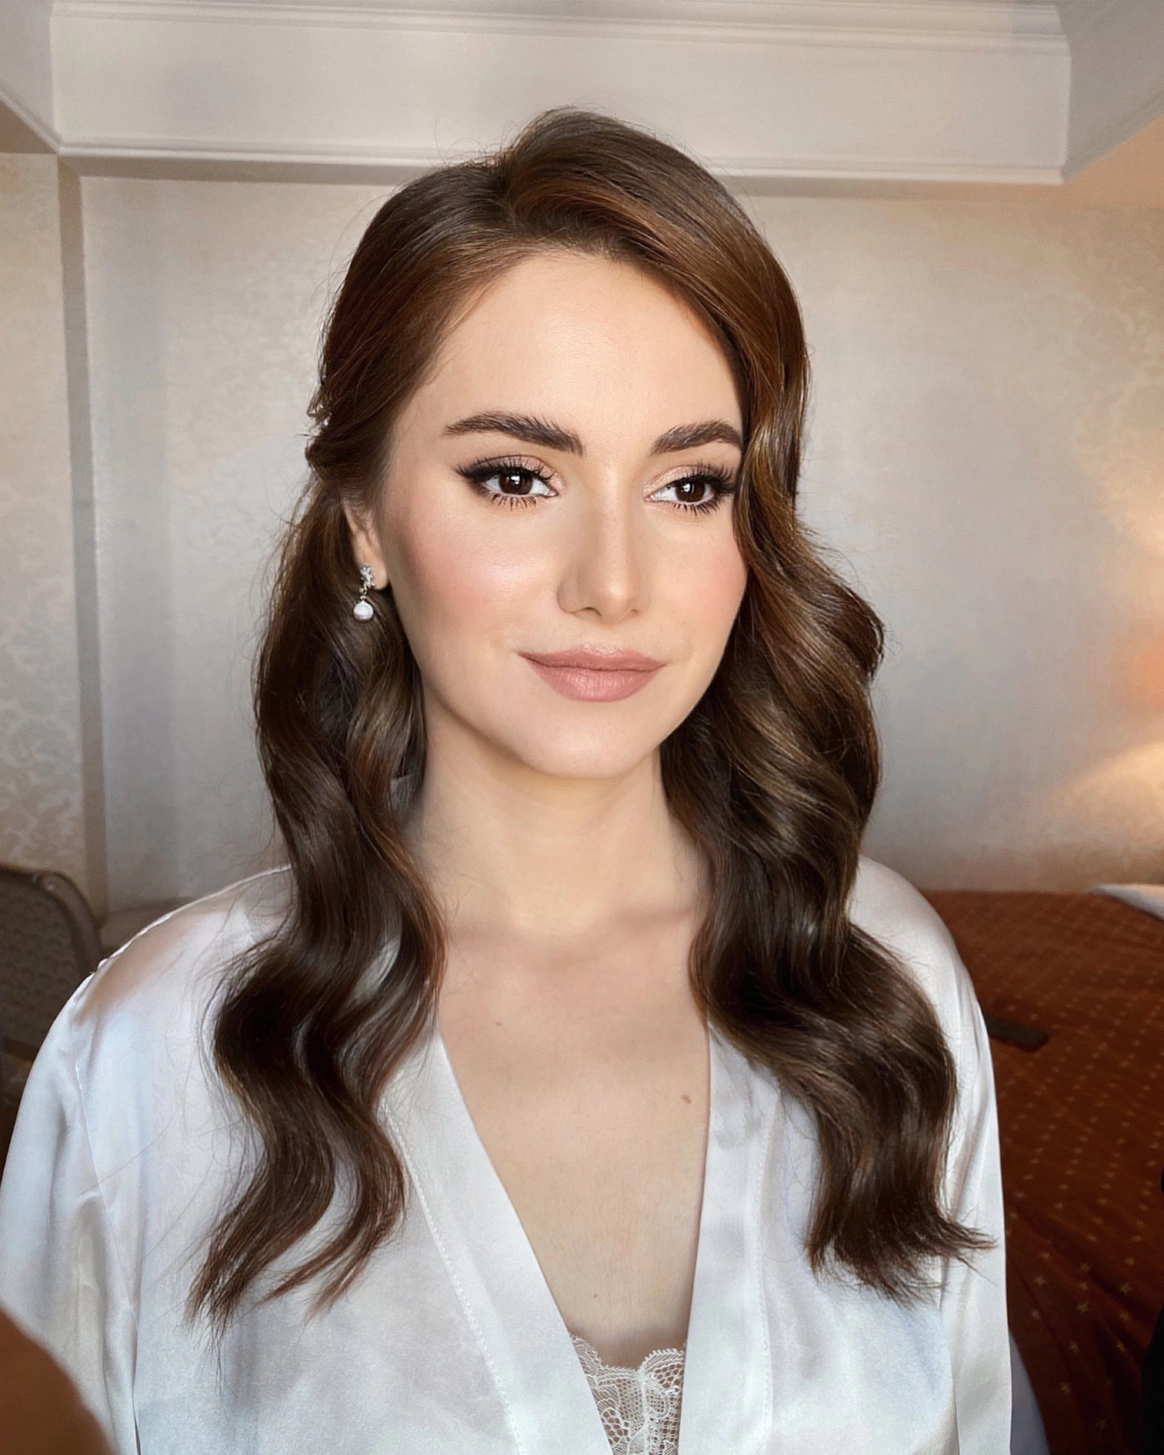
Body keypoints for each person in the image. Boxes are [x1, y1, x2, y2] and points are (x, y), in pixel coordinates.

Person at [0, 108, 1011, 1454]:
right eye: (517, 476)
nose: (613, 585)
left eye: (691, 485)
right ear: (366, 517)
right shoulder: (151, 1055)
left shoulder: (884, 977)